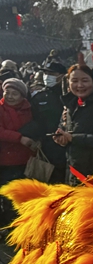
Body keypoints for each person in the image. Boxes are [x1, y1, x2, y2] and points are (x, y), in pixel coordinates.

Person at [54, 65, 93, 185]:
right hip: (75, 172)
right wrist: (62, 138)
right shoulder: (70, 104)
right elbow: (64, 128)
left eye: (84, 80)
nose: (79, 85)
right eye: (74, 81)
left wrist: (72, 138)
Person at [21, 61, 68, 183]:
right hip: (47, 148)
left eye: (52, 73)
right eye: (46, 73)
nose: (47, 76)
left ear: (62, 75)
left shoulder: (70, 95)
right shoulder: (39, 97)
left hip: (69, 145)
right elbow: (34, 120)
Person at [0, 78, 36, 225]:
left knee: (24, 194)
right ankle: (9, 225)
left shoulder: (30, 108)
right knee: (8, 195)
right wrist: (19, 138)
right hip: (5, 158)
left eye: (14, 93)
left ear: (22, 95)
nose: (9, 96)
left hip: (26, 158)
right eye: (7, 92)